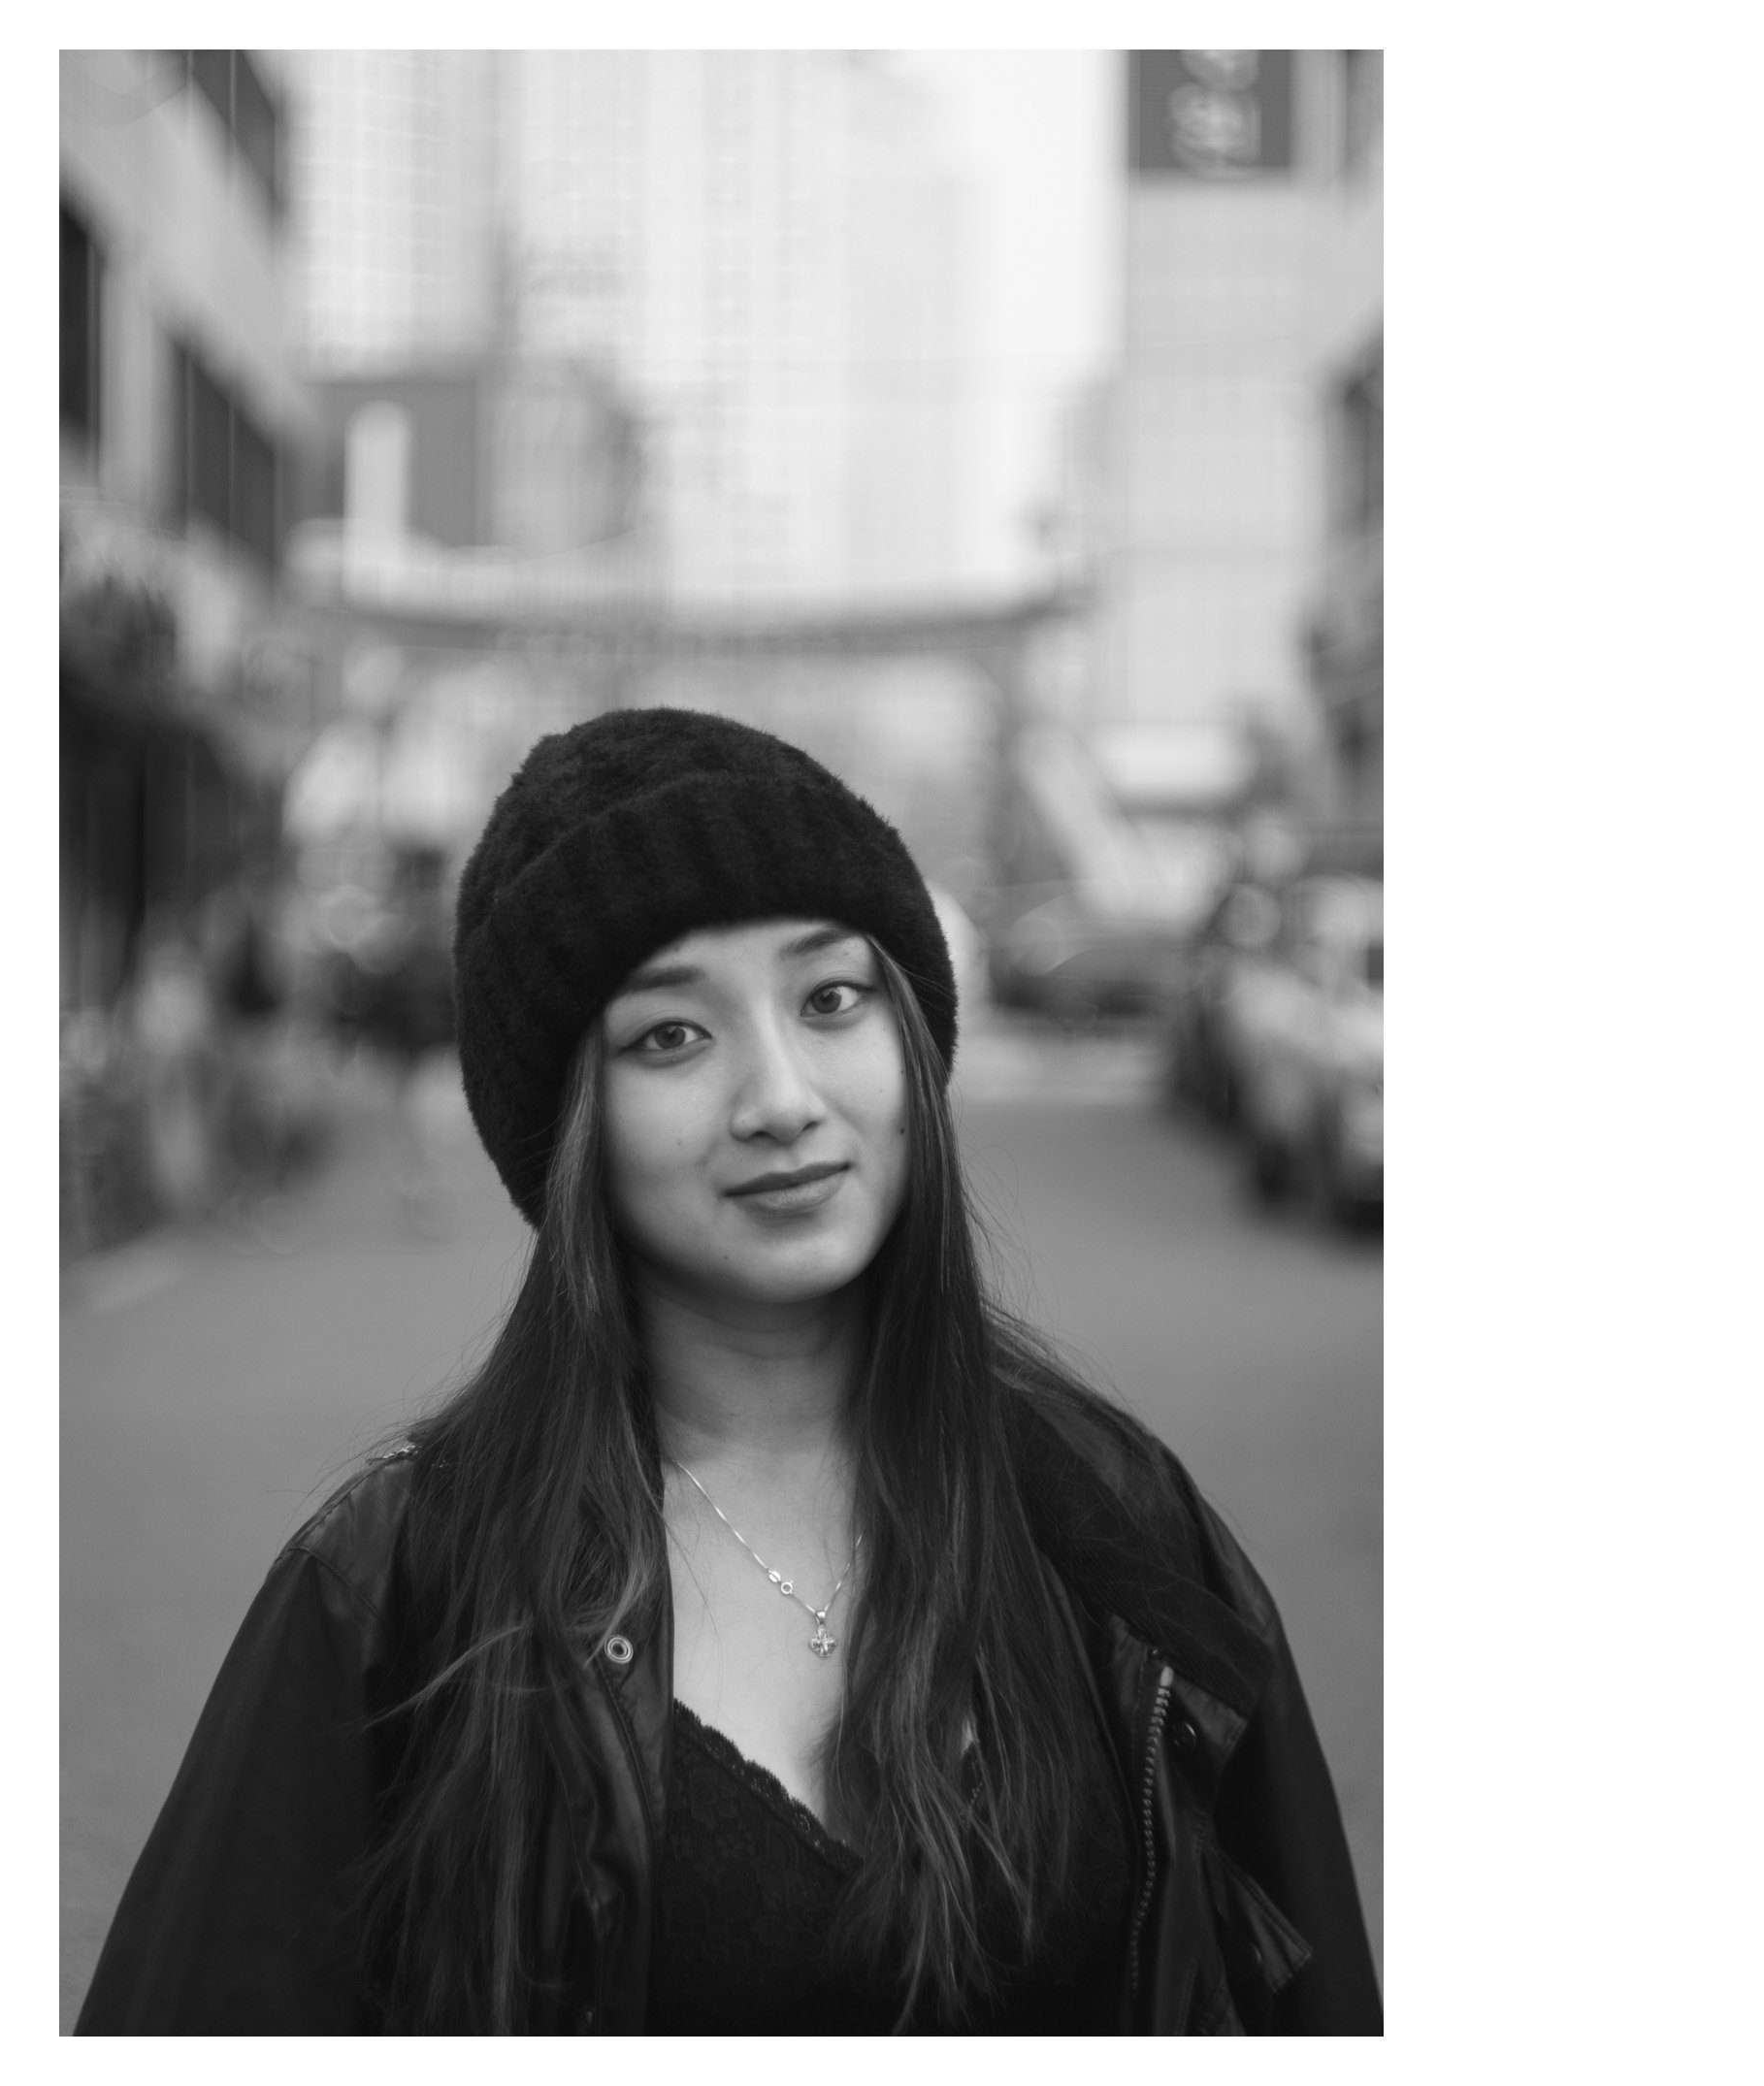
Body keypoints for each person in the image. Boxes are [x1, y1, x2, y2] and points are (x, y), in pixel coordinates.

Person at [75, 709, 1382, 2036]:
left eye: (828, 1001)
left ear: (909, 1044)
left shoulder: (1117, 1532)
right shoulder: (401, 1591)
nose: (779, 1095)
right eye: (670, 1037)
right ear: (571, 1126)